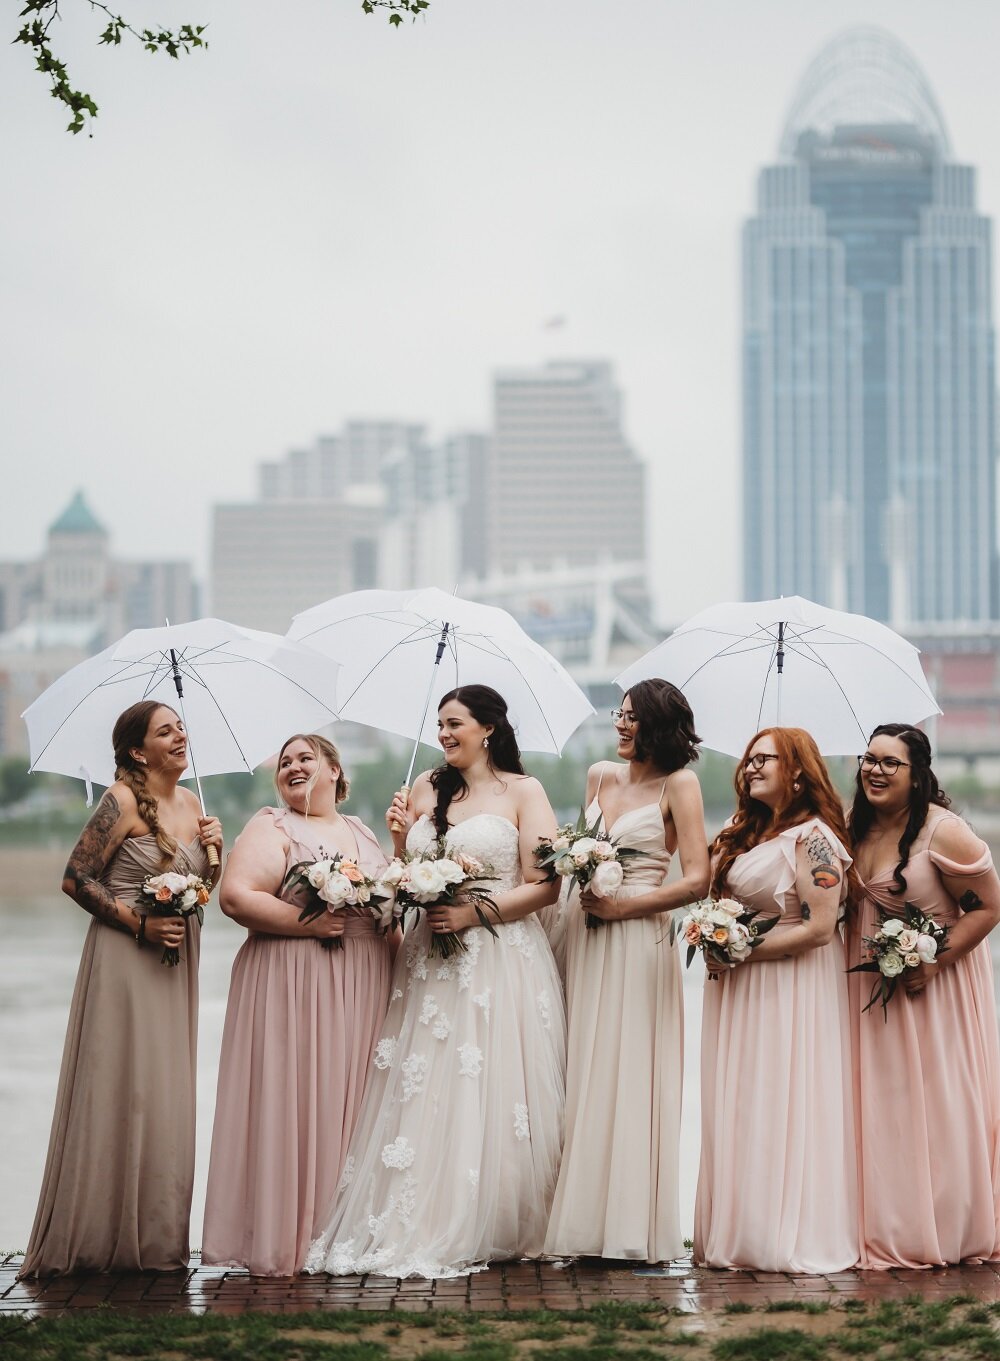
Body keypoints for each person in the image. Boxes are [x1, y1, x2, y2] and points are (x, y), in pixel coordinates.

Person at [306, 684, 565, 1279]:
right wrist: (401, 844)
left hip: (501, 954)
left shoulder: (525, 792)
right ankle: (420, 1213)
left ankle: (495, 1218)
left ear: (488, 729)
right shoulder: (425, 786)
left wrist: (476, 913)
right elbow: (402, 873)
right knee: (429, 1080)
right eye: (440, 724)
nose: (444, 734)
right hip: (430, 959)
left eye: (455, 724)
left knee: (491, 1080)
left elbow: (546, 883)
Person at [20, 701, 223, 1277]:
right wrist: (138, 923)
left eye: (182, 726)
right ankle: (96, 1238)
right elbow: (74, 876)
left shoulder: (192, 803)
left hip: (175, 962)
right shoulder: (121, 800)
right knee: (120, 1085)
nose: (180, 735)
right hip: (125, 957)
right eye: (166, 730)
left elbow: (200, 891)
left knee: (163, 1092)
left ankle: (155, 1241)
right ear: (138, 751)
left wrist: (214, 852)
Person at [200, 734, 394, 1276]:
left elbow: (385, 909)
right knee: (302, 1100)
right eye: (285, 763)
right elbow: (237, 897)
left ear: (335, 769)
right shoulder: (272, 826)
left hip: (363, 981)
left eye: (306, 758)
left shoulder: (361, 831)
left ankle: (344, 1233)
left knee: (353, 1104)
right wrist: (307, 921)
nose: (293, 767)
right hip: (295, 981)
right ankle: (292, 1238)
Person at [544, 680, 709, 1264]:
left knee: (629, 1067)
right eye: (619, 714)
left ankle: (627, 1227)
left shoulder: (679, 785)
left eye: (632, 718)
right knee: (581, 1063)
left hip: (638, 935)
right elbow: (574, 849)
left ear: (658, 727)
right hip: (582, 930)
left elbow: (696, 880)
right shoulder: (597, 776)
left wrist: (622, 907)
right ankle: (579, 1222)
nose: (619, 725)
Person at [694, 726, 858, 1273]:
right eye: (748, 760)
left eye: (765, 759)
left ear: (796, 771)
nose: (752, 768)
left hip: (792, 986)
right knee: (741, 1101)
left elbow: (818, 928)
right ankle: (741, 1227)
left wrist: (741, 950)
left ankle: (786, 1232)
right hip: (741, 986)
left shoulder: (815, 840)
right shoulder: (744, 833)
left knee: (784, 1096)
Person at [847, 723, 1000, 1268]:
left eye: (891, 763)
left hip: (932, 991)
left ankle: (946, 1226)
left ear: (918, 776)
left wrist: (933, 962)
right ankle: (884, 1219)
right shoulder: (855, 830)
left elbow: (988, 907)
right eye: (869, 759)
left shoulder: (943, 831)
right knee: (880, 1106)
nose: (875, 770)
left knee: (935, 1103)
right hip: (866, 991)